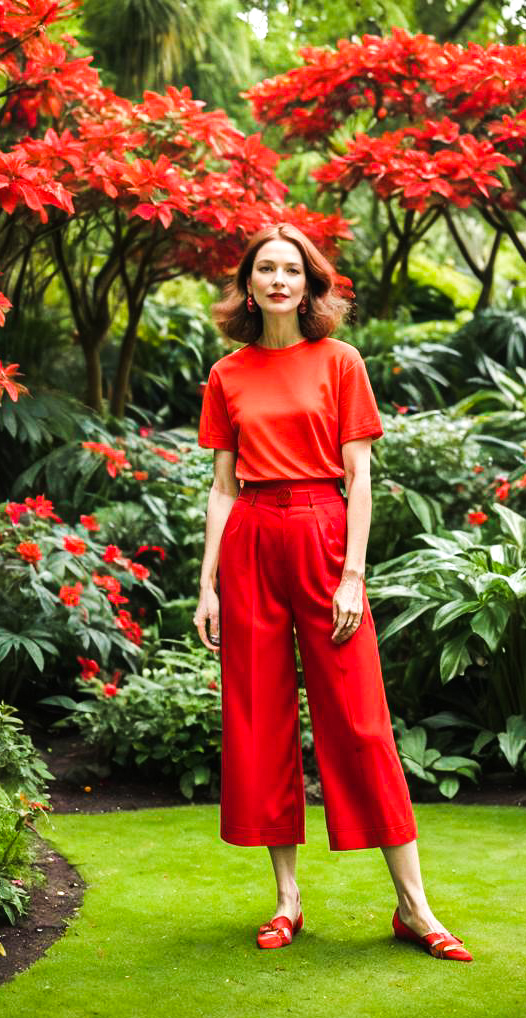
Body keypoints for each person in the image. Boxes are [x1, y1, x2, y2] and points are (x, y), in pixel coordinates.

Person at [192, 224, 471, 962]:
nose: (279, 280)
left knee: (361, 721)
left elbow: (361, 477)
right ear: (247, 286)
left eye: (292, 270)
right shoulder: (226, 375)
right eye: (266, 269)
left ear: (309, 285)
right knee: (258, 720)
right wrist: (207, 586)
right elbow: (221, 488)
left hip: (322, 532)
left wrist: (353, 573)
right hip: (251, 536)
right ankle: (287, 901)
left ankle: (413, 906)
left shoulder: (339, 361)